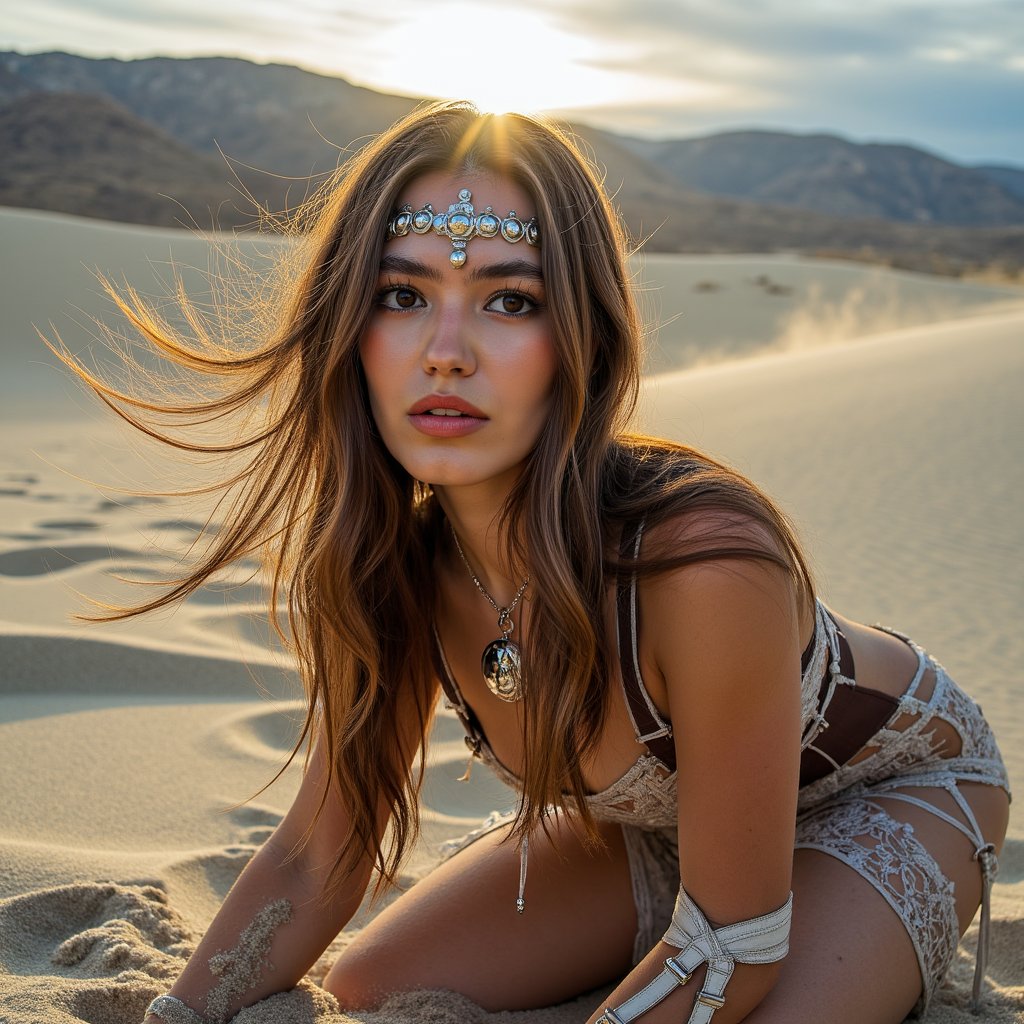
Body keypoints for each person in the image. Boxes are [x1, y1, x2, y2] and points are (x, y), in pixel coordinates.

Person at [56, 100, 1009, 1024]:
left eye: (510, 301)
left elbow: (732, 941)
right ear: (351, 329)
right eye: (402, 295)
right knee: (372, 984)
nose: (445, 353)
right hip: (668, 829)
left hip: (885, 792)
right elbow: (314, 858)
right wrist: (182, 1016)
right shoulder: (393, 567)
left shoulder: (706, 566)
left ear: (579, 340)